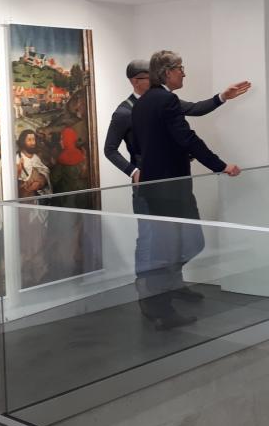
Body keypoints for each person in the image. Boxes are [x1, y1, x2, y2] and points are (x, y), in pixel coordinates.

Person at [131, 50, 241, 330]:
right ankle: (160, 307)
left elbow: (158, 142)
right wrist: (220, 166)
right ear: (167, 72)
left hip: (159, 186)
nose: (183, 73)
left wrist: (222, 97)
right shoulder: (165, 100)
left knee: (182, 243)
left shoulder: (144, 102)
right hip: (170, 187)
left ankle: (158, 295)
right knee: (170, 248)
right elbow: (187, 138)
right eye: (180, 68)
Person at [103, 59, 250, 184]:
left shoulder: (164, 100)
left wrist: (223, 96)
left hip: (177, 177)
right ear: (135, 81)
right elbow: (110, 149)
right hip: (149, 182)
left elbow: (195, 109)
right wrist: (134, 172)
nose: (156, 81)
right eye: (151, 77)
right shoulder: (123, 113)